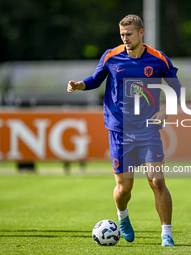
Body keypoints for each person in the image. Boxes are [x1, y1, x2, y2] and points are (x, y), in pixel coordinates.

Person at [67, 14, 181, 246]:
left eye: (129, 34)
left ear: (141, 33)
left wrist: (165, 111)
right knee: (124, 187)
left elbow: (177, 87)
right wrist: (80, 85)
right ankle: (122, 216)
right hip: (119, 130)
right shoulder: (111, 56)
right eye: (122, 35)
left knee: (157, 181)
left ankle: (166, 234)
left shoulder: (158, 59)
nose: (125, 39)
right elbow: (96, 80)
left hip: (148, 129)